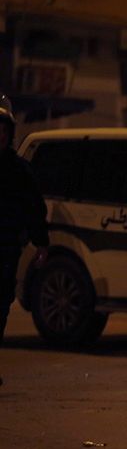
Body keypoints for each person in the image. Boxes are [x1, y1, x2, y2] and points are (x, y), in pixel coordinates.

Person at [0, 94, 49, 358]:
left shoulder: (18, 170)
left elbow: (34, 208)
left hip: (5, 250)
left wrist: (41, 242)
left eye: (2, 131)